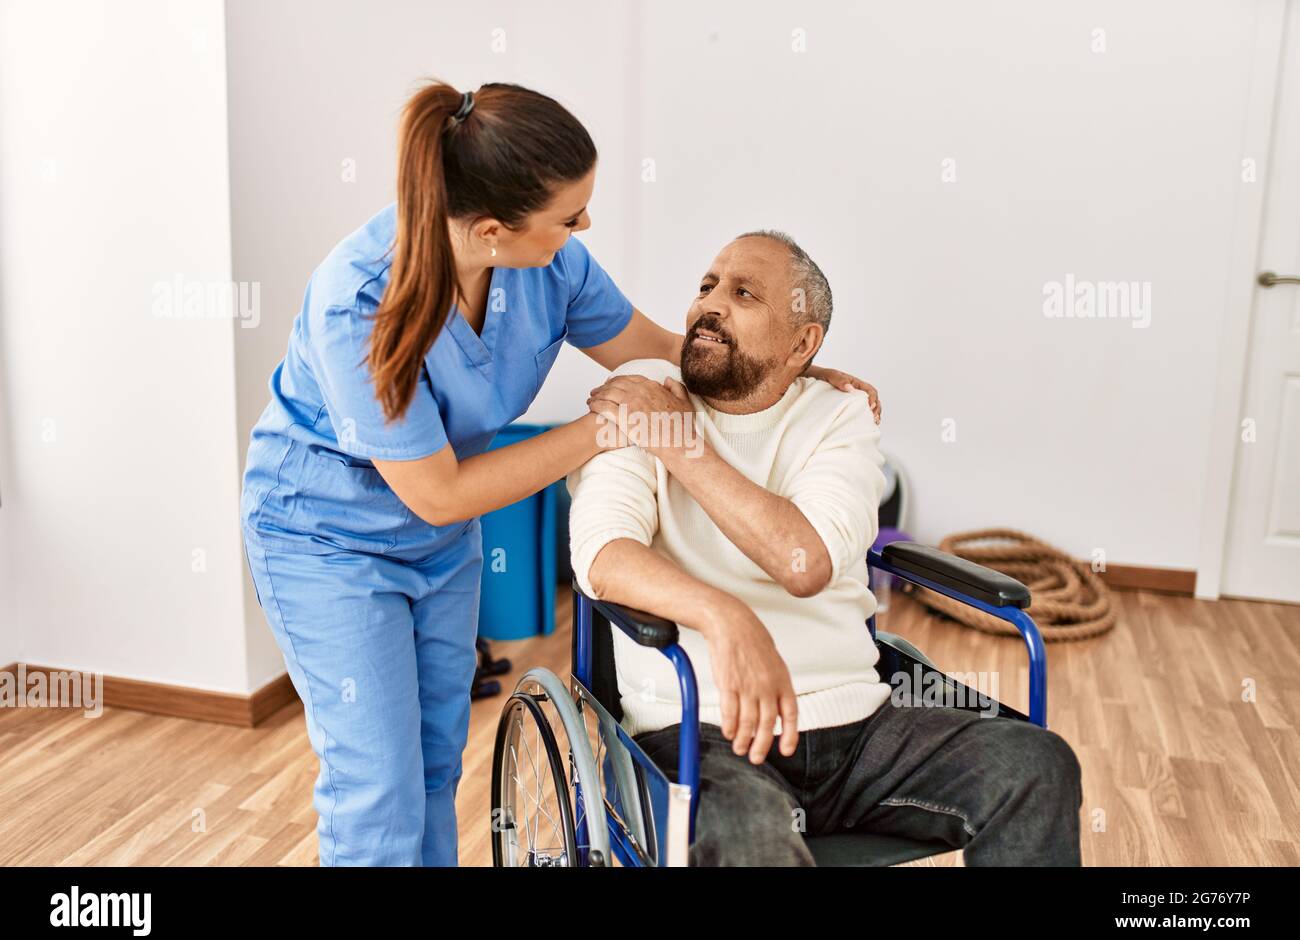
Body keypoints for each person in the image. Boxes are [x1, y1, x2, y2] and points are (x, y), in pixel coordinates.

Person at [239, 81, 880, 866]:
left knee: (437, 765)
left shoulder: (550, 266)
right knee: (378, 786)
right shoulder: (357, 305)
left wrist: (794, 362)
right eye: (568, 217)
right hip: (325, 540)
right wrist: (604, 427)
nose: (583, 227)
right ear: (493, 231)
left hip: (438, 544)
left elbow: (654, 342)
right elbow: (437, 493)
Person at [570, 230, 1083, 865]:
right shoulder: (645, 393)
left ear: (802, 344)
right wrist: (723, 615)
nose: (710, 304)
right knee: (752, 837)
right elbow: (603, 553)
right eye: (706, 287)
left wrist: (680, 446)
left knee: (1034, 764)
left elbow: (804, 563)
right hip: (701, 730)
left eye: (744, 293)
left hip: (857, 731)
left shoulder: (839, 415)